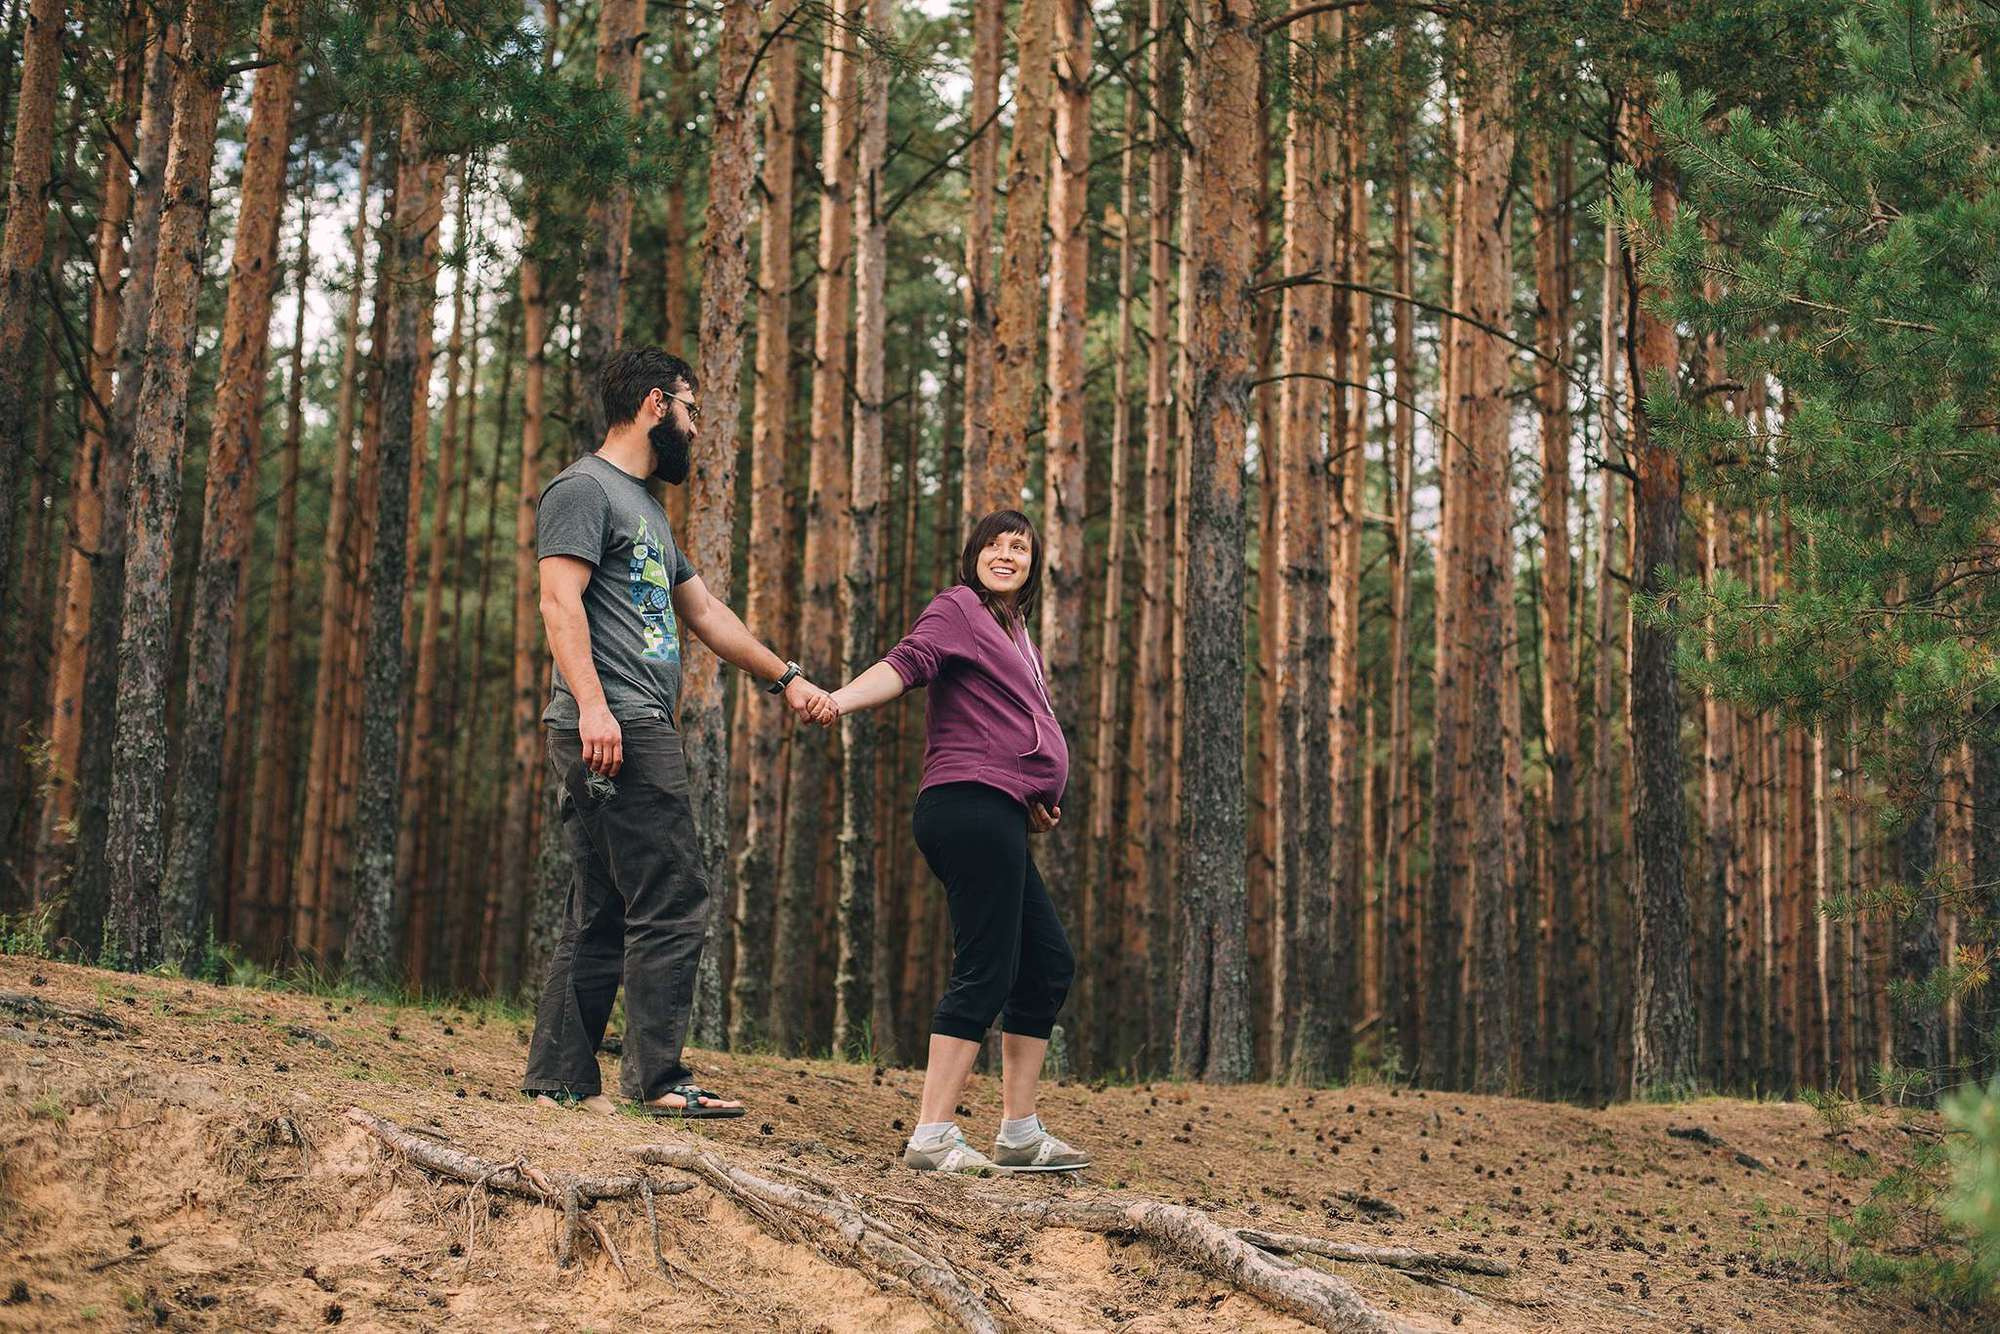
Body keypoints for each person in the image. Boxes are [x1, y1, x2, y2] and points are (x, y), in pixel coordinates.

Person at [521, 346, 835, 1119]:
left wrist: (785, 678)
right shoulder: (581, 490)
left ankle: (560, 1077)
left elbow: (705, 613)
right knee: (675, 891)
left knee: (602, 901)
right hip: (614, 720)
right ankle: (659, 1080)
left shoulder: (646, 510)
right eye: (692, 411)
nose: (696, 429)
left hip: (624, 719)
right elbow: (559, 604)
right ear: (658, 405)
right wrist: (595, 707)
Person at [826, 510, 1087, 1173]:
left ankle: (1020, 1131)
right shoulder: (959, 609)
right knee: (986, 966)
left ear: (1032, 565)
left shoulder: (1012, 630)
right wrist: (840, 700)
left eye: (1020, 548)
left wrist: (1034, 792)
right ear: (971, 557)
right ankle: (931, 1133)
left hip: (1000, 807)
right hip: (966, 804)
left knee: (1046, 962)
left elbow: (1007, 721)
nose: (1007, 555)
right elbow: (908, 663)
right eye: (994, 545)